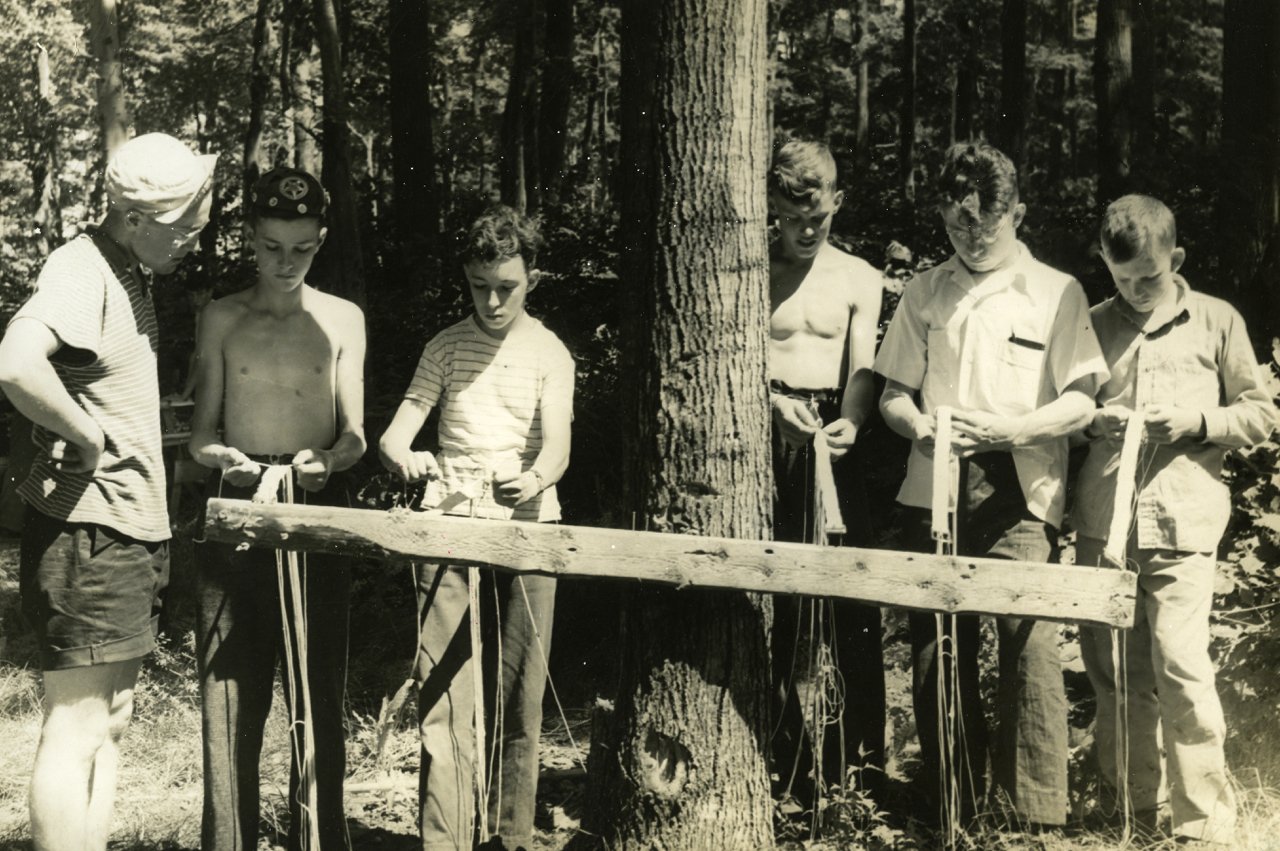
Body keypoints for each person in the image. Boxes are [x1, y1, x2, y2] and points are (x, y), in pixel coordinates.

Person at [874, 142, 1109, 829]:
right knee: (934, 641)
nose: (971, 241)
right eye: (955, 228)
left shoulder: (1056, 291)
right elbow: (894, 391)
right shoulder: (924, 290)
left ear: (1018, 214)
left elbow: (1083, 401)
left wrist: (1013, 431)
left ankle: (1032, 815)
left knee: (1028, 639)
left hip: (1022, 491)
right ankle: (952, 802)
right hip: (936, 484)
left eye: (985, 228)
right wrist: (917, 426)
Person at [0, 132, 215, 851]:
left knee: (110, 717)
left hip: (125, 531)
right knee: (80, 723)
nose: (193, 239)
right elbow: (16, 361)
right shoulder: (81, 268)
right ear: (134, 217)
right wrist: (87, 437)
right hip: (89, 535)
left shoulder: (128, 272)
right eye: (183, 225)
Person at [1074, 195, 1277, 846]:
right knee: (1112, 670)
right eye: (1121, 278)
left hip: (1183, 524)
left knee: (1181, 665)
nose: (1135, 292)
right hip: (1105, 524)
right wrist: (1091, 420)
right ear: (1105, 265)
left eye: (1149, 278)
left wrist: (1198, 422)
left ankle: (1202, 824)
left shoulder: (1216, 319)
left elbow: (1263, 411)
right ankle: (1130, 812)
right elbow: (1062, 406)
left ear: (1177, 259)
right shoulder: (1091, 322)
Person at [379, 205, 574, 851]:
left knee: (520, 697)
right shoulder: (445, 346)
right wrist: (406, 456)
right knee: (444, 692)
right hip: (450, 530)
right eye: (479, 286)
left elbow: (560, 447)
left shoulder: (549, 351)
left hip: (527, 530)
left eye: (507, 287)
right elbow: (394, 436)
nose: (492, 301)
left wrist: (538, 476)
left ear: (533, 278)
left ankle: (508, 838)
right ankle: (445, 839)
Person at [188, 167, 366, 851]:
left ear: (320, 241)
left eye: (302, 248)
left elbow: (355, 432)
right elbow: (203, 432)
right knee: (230, 691)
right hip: (237, 505)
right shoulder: (223, 316)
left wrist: (332, 459)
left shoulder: (343, 318)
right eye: (270, 246)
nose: (285, 263)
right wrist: (222, 460)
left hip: (317, 506)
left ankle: (318, 839)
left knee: (318, 686)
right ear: (249, 241)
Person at [765, 140, 886, 808]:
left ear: (837, 202)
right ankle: (783, 763)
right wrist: (766, 402)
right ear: (774, 208)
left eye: (819, 218)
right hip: (767, 436)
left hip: (833, 442)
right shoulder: (754, 269)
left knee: (849, 602)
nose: (806, 232)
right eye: (792, 219)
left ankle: (857, 770)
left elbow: (863, 367)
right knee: (778, 602)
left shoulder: (860, 277)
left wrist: (855, 422)